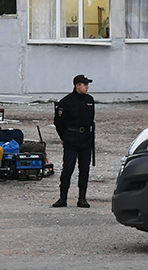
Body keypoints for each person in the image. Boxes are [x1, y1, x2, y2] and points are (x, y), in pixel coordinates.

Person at [53, 74, 96, 208]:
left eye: (87, 84)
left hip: (86, 139)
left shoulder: (89, 100)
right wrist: (65, 136)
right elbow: (59, 122)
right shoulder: (66, 101)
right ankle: (63, 198)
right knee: (68, 168)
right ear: (77, 85)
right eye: (85, 84)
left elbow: (91, 119)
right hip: (72, 138)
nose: (87, 87)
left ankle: (82, 198)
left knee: (84, 169)